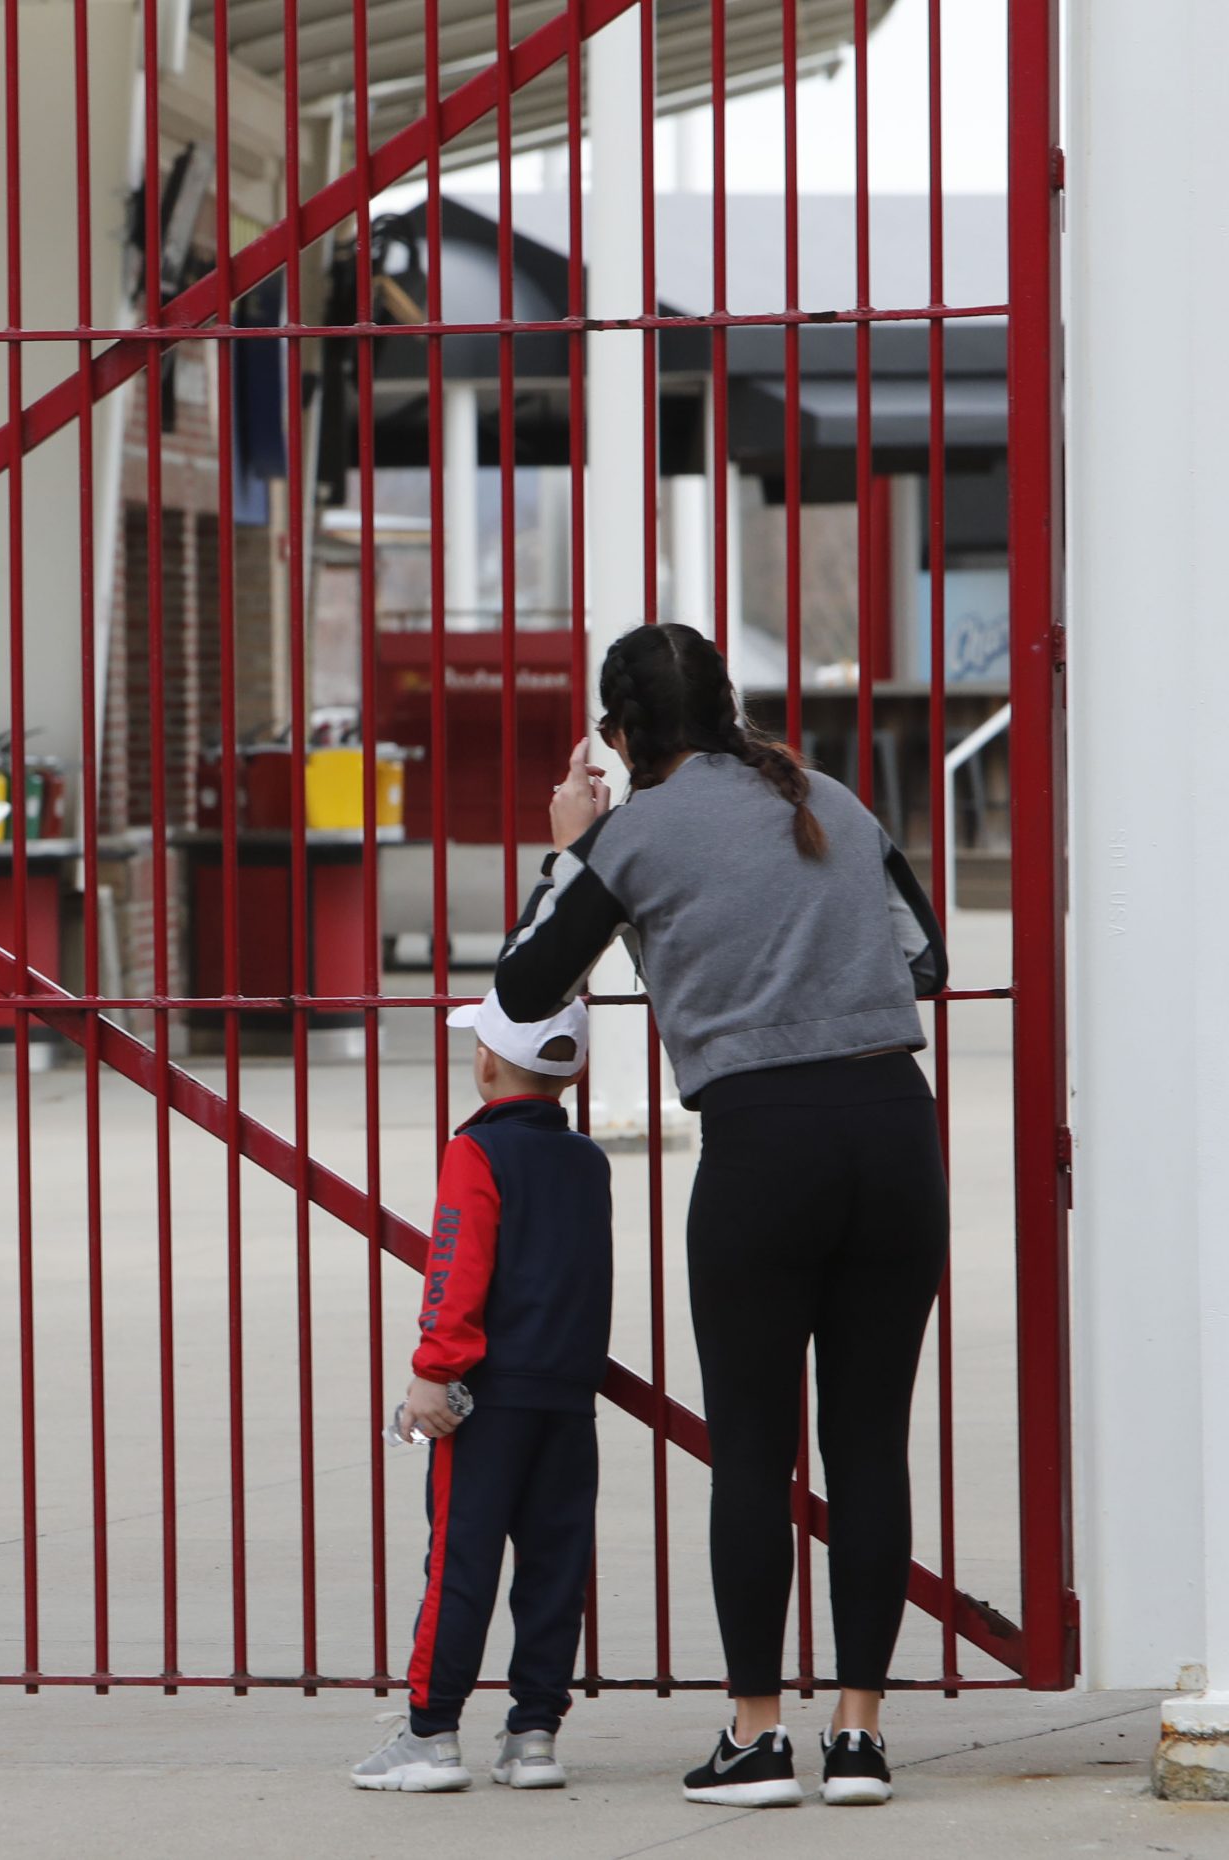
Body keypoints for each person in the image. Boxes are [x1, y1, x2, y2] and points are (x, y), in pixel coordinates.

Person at [493, 622, 948, 1810]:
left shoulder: (631, 832)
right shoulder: (831, 799)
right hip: (895, 1131)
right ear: (727, 706)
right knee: (870, 1445)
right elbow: (922, 956)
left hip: (763, 1144)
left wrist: (574, 851)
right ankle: (858, 1736)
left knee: (752, 1447)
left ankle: (754, 1737)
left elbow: (522, 986)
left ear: (622, 732)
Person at [352, 990, 611, 1796]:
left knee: (461, 1562)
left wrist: (436, 1368)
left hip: (490, 1395)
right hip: (566, 1397)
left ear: (488, 1061)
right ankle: (534, 1733)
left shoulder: (475, 1153)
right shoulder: (587, 1160)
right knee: (554, 1566)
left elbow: (456, 1265)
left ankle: (431, 1732)